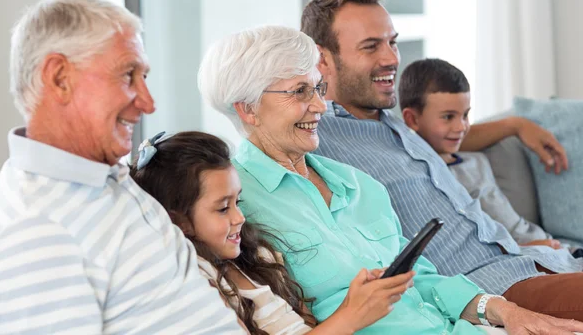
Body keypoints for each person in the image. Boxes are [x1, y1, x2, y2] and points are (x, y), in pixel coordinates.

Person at [197, 24, 583, 334]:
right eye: (299, 92)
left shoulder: (359, 184)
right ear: (247, 109)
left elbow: (423, 279)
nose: (318, 105)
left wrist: (501, 310)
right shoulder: (236, 203)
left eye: (317, 88)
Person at [301, 0, 583, 319]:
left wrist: (515, 125)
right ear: (322, 59)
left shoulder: (395, 125)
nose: (391, 58)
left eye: (392, 42)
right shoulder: (316, 137)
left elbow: (454, 135)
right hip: (488, 286)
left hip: (529, 259)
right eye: (370, 47)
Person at [0, 0, 243, 333]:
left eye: (144, 76)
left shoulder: (102, 177)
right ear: (60, 78)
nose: (148, 104)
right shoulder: (36, 231)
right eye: (127, 75)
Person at [129, 130, 411, 334]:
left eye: (237, 201)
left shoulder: (258, 257)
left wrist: (354, 300)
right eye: (222, 208)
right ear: (178, 221)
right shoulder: (196, 281)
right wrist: (352, 315)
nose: (240, 217)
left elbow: (306, 326)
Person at [398, 58, 560, 249]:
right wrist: (529, 248)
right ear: (412, 119)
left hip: (550, 245)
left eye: (465, 115)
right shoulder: (428, 178)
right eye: (448, 117)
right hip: (524, 255)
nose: (461, 127)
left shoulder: (477, 159)